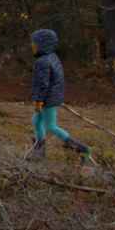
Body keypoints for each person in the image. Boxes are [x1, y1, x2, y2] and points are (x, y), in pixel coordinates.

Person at [27, 28, 91, 162]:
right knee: (36, 121)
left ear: (43, 44)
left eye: (34, 43)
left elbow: (43, 84)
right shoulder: (53, 57)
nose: (32, 45)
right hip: (52, 97)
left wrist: (39, 100)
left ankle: (81, 149)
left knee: (51, 126)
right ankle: (39, 149)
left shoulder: (42, 62)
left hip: (47, 99)